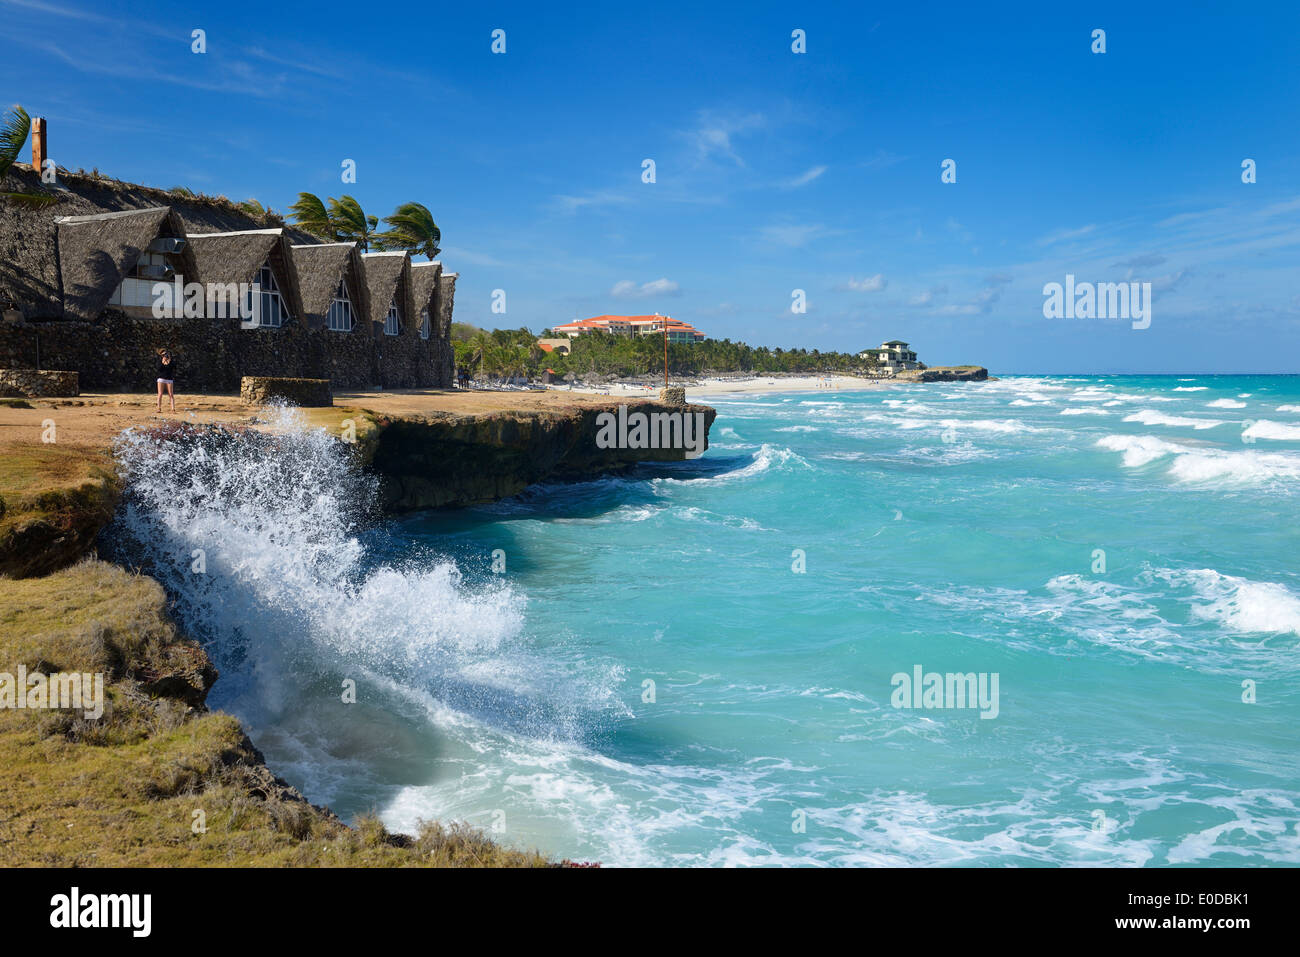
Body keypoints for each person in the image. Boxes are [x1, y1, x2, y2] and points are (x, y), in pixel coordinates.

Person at [155, 348, 177, 413]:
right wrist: (163, 362)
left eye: (166, 354)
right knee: (160, 394)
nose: (165, 355)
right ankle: (159, 408)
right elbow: (159, 369)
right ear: (161, 355)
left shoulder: (171, 361)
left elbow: (174, 368)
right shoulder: (160, 361)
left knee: (171, 394)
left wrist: (170, 361)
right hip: (161, 379)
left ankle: (173, 409)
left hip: (169, 379)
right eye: (163, 355)